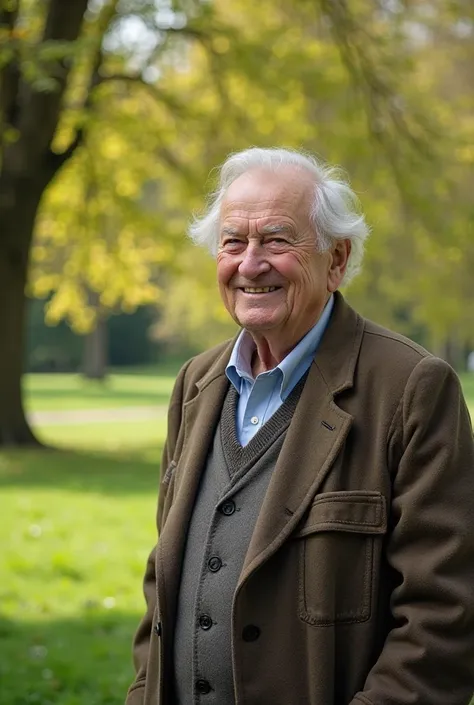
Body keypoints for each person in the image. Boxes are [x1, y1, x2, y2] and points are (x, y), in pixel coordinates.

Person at [126, 148, 474, 705]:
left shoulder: (412, 388)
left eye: (278, 240)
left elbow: (444, 621)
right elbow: (161, 587)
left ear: (337, 259)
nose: (250, 263)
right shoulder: (195, 384)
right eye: (234, 241)